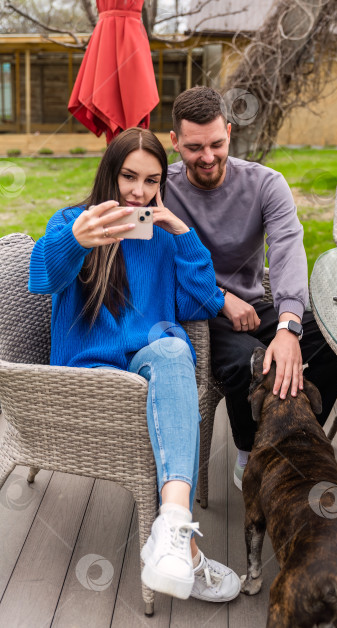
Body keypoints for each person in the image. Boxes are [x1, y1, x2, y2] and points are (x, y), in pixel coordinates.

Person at [28, 127, 240, 603]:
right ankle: (185, 554)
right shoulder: (73, 222)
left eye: (151, 180)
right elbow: (41, 278)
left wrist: (181, 233)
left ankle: (172, 526)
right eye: (129, 177)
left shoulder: (160, 236)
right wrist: (76, 241)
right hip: (90, 375)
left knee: (171, 349)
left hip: (150, 365)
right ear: (110, 173)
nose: (139, 192)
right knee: (171, 359)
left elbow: (202, 302)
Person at [164, 87, 337, 489]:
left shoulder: (266, 184)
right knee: (252, 361)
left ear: (229, 132)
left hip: (255, 308)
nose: (208, 157)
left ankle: (282, 440)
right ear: (174, 141)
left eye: (217, 143)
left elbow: (287, 251)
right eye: (194, 147)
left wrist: (288, 327)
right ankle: (249, 454)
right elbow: (157, 264)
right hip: (194, 312)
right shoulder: (160, 187)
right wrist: (221, 298)